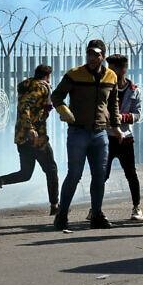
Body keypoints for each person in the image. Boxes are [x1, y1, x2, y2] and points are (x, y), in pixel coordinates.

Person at [50, 39, 123, 231]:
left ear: (103, 56)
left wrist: (116, 126)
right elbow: (56, 95)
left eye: (96, 54)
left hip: (100, 134)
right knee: (74, 174)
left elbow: (113, 104)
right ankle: (62, 215)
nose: (92, 58)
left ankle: (96, 214)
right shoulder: (74, 74)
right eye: (89, 54)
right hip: (78, 132)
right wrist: (62, 109)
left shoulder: (111, 77)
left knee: (99, 176)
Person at [0, 65, 59, 215]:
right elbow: (24, 106)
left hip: (22, 137)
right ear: (47, 76)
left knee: (26, 174)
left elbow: (29, 107)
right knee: (51, 169)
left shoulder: (27, 86)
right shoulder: (41, 87)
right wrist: (31, 128)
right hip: (35, 138)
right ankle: (55, 205)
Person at [105, 54, 143, 221]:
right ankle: (95, 208)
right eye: (109, 68)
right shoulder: (104, 88)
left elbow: (139, 115)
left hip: (125, 138)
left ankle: (136, 207)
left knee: (131, 174)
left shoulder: (134, 90)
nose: (110, 72)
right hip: (106, 137)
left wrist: (122, 118)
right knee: (101, 175)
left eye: (113, 69)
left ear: (123, 69)